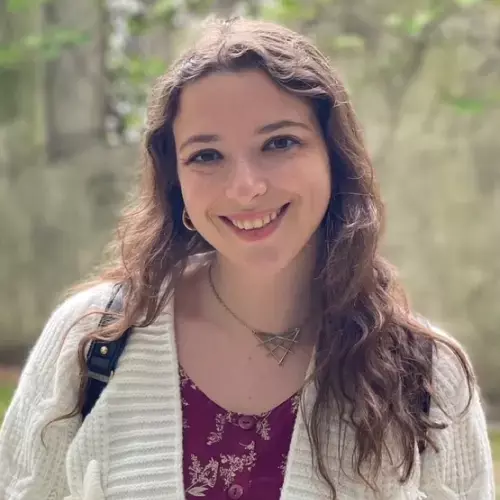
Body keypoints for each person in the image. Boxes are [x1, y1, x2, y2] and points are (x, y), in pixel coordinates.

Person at [0, 16, 494, 500]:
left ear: (333, 157)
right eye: (206, 155)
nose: (246, 188)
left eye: (279, 143)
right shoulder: (92, 343)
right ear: (177, 182)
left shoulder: (427, 376)